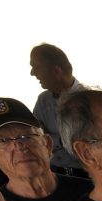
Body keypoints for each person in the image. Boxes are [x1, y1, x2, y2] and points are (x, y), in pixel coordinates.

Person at [29, 43, 87, 177]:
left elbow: (85, 144)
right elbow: (35, 138)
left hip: (86, 178)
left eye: (36, 67)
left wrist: (50, 139)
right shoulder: (43, 100)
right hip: (55, 176)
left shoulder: (90, 101)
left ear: (56, 71)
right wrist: (64, 140)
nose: (32, 73)